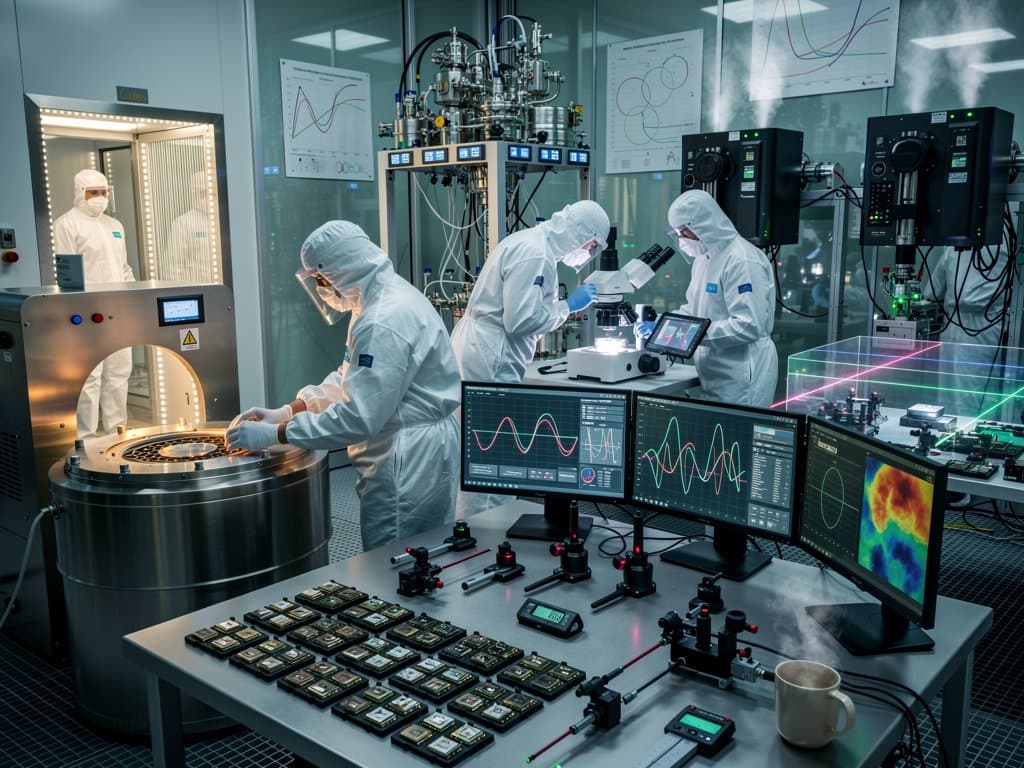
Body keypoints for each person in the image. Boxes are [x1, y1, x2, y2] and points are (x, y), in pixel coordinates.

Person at [226, 221, 461, 550]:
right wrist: (290, 410)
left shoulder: (382, 320)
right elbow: (351, 378)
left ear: (343, 269)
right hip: (412, 446)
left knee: (394, 556)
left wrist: (277, 434)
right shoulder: (377, 298)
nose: (321, 289)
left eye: (321, 279)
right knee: (417, 551)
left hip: (407, 458)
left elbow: (358, 418)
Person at [450, 200, 610, 383]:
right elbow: (520, 321)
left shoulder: (531, 241)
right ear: (581, 233)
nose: (589, 250)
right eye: (592, 244)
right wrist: (568, 306)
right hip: (491, 354)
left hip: (483, 348)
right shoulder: (536, 254)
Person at [667, 189, 778, 407]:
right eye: (678, 232)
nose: (681, 238)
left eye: (684, 231)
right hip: (713, 373)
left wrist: (692, 334)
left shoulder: (742, 260)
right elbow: (693, 310)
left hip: (741, 376)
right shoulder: (703, 259)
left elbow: (748, 326)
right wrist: (664, 325)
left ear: (703, 225)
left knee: (738, 428)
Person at [53, 169, 135, 438]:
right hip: (87, 313)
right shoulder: (67, 224)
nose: (100, 197)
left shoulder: (115, 226)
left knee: (119, 372)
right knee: (89, 376)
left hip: (119, 310)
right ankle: (85, 439)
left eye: (103, 192)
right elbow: (67, 273)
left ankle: (117, 434)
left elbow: (124, 268)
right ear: (80, 193)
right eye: (93, 193)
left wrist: (134, 298)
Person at [922, 244, 1010, 418]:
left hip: (969, 325)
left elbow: (932, 291)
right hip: (983, 326)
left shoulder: (953, 245)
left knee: (958, 392)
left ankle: (960, 431)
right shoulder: (1007, 244)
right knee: (973, 392)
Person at [164, 171, 214, 282]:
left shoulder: (222, 221)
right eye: (203, 193)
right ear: (194, 194)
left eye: (212, 193)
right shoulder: (182, 223)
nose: (209, 197)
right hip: (196, 289)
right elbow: (173, 269)